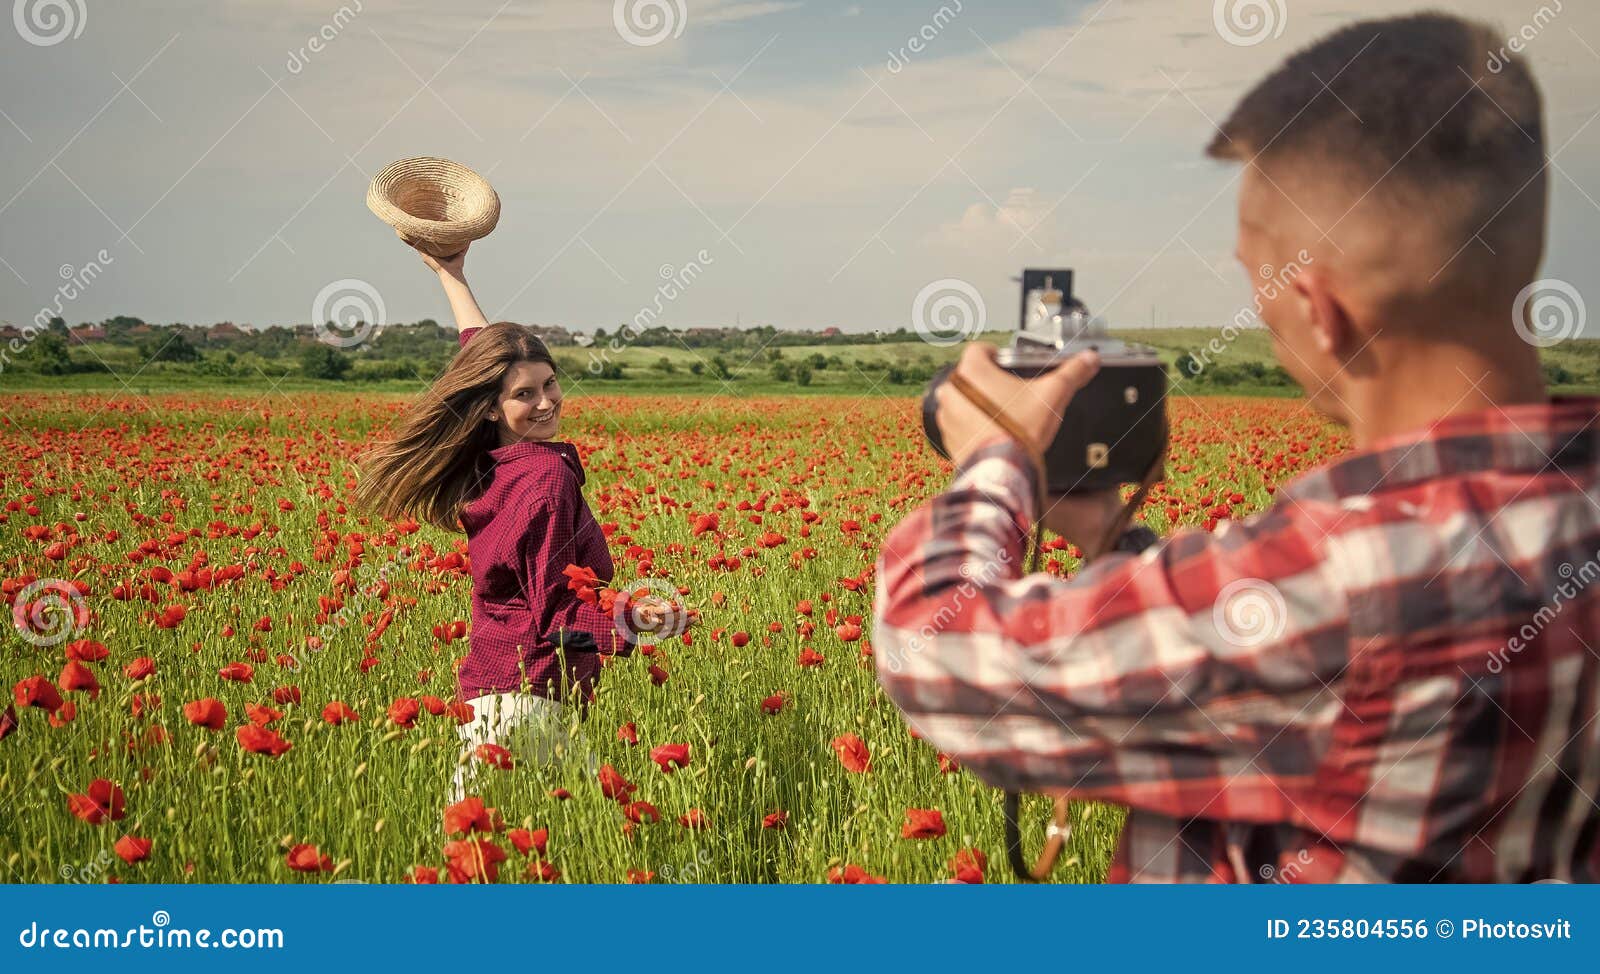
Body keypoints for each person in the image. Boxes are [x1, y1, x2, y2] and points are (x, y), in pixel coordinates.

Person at [874, 12, 1599, 882]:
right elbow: (1285, 683)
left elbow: (936, 655)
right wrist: (1112, 542)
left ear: (1318, 309)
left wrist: (997, 457)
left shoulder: (1362, 576)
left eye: (1257, 280)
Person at [356, 241, 690, 798]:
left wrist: (451, 276)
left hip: (489, 698)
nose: (545, 402)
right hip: (528, 702)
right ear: (491, 406)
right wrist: (641, 619)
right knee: (592, 845)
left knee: (485, 857)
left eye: (550, 384)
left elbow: (482, 358)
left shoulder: (492, 460)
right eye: (525, 394)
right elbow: (554, 615)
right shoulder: (545, 479)